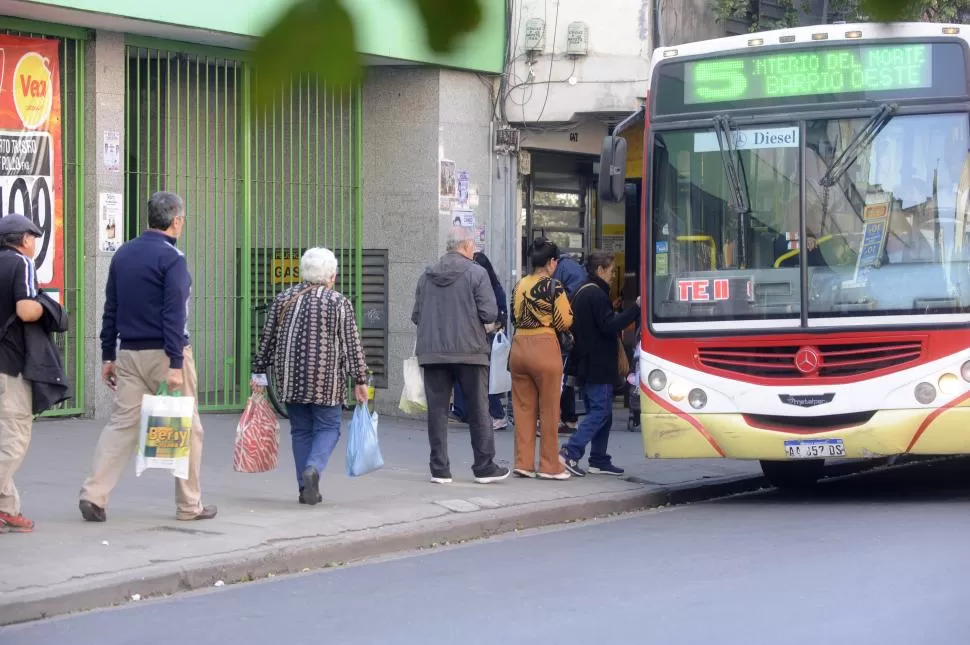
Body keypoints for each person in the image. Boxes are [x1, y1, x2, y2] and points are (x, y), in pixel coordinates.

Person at [79, 192, 217, 523]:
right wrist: (174, 363)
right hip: (166, 354)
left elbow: (110, 308)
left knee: (122, 424)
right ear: (177, 220)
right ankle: (189, 505)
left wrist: (107, 355)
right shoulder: (173, 259)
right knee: (189, 427)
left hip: (128, 353)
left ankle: (94, 495)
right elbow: (174, 315)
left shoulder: (123, 254)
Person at [251, 247, 369, 506]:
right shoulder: (338, 302)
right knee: (328, 427)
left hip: (290, 378)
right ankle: (314, 468)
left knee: (301, 431)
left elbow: (267, 339)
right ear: (331, 276)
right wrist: (360, 379)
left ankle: (305, 489)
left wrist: (259, 371)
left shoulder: (284, 298)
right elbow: (351, 344)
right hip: (326, 381)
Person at [411, 227, 510, 485]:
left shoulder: (426, 275)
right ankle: (484, 466)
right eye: (473, 247)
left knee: (437, 411)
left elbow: (416, 315)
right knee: (479, 409)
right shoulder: (477, 273)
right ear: (467, 246)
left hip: (433, 352)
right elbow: (489, 313)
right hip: (470, 351)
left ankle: (439, 469)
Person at [560, 250, 641, 477]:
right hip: (598, 363)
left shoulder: (581, 291)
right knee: (600, 412)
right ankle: (570, 452)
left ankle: (599, 459)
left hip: (585, 362)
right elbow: (608, 325)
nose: (613, 275)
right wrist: (635, 309)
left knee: (603, 412)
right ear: (600, 270)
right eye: (611, 270)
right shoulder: (596, 295)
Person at [509, 238, 574, 480]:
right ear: (550, 263)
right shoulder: (553, 286)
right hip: (544, 346)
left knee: (523, 408)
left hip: (519, 347)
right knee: (549, 410)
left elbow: (514, 318)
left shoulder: (519, 285)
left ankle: (523, 462)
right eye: (555, 260)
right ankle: (549, 465)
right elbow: (564, 321)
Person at [0, 215, 45, 532]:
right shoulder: (21, 264)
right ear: (24, 240)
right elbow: (26, 310)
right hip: (9, 364)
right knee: (15, 438)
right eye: (33, 238)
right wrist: (50, 308)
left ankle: (7, 507)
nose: (34, 244)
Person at [452, 250, 509, 430]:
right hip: (473, 336)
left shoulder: (493, 288)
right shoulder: (473, 285)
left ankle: (498, 414)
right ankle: (465, 412)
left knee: (486, 377)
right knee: (468, 373)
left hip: (488, 337)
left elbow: (502, 314)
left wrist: (490, 325)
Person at [553, 251, 586, 433]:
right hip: (572, 328)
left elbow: (560, 300)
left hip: (566, 331)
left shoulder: (562, 269)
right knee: (566, 376)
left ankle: (562, 418)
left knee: (561, 376)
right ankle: (569, 418)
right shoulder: (570, 267)